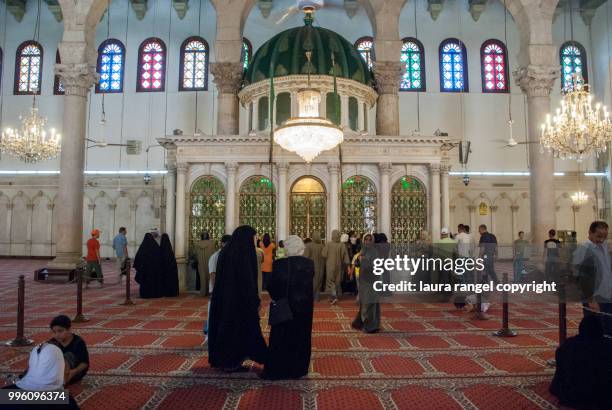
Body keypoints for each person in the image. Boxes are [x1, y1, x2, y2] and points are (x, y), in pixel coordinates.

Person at [208, 225, 268, 372]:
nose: (255, 240)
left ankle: (229, 361)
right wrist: (254, 300)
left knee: (229, 331)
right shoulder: (243, 254)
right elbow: (247, 280)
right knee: (236, 332)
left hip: (226, 300)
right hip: (239, 302)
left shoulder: (227, 251)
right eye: (254, 237)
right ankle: (231, 362)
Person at [262, 235, 314, 380]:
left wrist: (278, 297)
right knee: (301, 337)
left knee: (281, 338)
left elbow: (271, 286)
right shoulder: (309, 264)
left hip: (284, 307)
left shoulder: (279, 264)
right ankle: (298, 369)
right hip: (303, 308)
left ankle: (278, 369)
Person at [549, 315, 612, 408]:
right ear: (600, 329)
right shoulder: (608, 346)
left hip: (570, 395)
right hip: (602, 397)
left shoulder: (567, 345)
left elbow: (560, 372)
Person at [573, 221, 612, 336]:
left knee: (608, 327)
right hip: (594, 297)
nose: (601, 240)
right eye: (599, 236)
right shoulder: (583, 249)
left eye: (604, 237)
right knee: (596, 329)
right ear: (590, 232)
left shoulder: (603, 247)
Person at [203, 234, 232, 344]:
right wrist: (215, 292)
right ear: (223, 244)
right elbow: (213, 275)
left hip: (225, 292)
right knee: (213, 316)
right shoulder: (215, 257)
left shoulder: (227, 256)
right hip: (216, 292)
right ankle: (210, 339)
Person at [351, 233, 381, 333]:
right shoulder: (363, 250)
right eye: (366, 240)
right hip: (363, 279)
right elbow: (357, 263)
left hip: (372, 280)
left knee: (370, 303)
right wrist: (359, 260)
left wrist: (364, 260)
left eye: (369, 240)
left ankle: (370, 325)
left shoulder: (374, 252)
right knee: (364, 303)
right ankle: (362, 322)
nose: (367, 241)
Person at [49, 315, 89, 385]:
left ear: (69, 329)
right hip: (57, 372)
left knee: (68, 355)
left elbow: (84, 363)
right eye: (54, 332)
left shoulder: (78, 342)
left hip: (75, 372)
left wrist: (74, 371)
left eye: (60, 331)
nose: (57, 335)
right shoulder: (53, 342)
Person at [322, 229, 350, 304]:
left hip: (330, 265)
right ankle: (334, 296)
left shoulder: (328, 244)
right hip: (339, 265)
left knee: (330, 281)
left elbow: (324, 254)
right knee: (337, 280)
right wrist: (347, 266)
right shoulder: (342, 245)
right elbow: (346, 257)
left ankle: (333, 296)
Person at [133, 233, 164, 298]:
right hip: (154, 271)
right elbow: (161, 259)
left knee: (145, 283)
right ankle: (155, 293)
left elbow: (137, 259)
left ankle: (145, 294)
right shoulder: (156, 247)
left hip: (145, 272)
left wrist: (140, 268)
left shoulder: (142, 248)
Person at [303, 231, 325, 301]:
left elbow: (305, 257)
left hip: (311, 266)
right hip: (321, 266)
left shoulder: (308, 245)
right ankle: (316, 297)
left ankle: (310, 297)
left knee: (311, 282)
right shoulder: (322, 246)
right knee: (319, 281)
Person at [195, 232, 216, 296]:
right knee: (209, 276)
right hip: (209, 263)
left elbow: (195, 254)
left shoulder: (198, 244)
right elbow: (214, 253)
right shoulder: (211, 244)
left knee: (202, 277)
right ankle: (209, 291)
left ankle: (203, 291)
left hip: (201, 263)